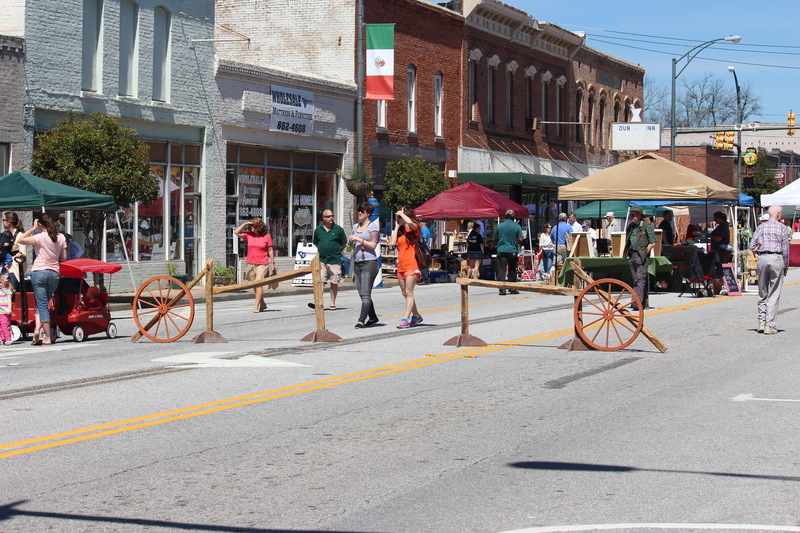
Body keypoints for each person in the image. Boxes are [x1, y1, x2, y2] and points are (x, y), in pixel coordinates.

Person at [18, 213, 68, 345]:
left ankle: (46, 336)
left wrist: (32, 229)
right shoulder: (61, 237)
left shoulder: (39, 237)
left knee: (42, 304)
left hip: (39, 271)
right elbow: (63, 258)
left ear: (40, 224)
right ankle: (36, 329)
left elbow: (21, 240)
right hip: (54, 273)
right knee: (44, 302)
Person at [750, 205, 790, 335]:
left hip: (763, 258)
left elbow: (752, 245)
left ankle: (761, 322)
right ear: (778, 214)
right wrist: (785, 266)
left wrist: (759, 254)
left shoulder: (761, 227)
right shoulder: (782, 228)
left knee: (762, 291)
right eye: (781, 213)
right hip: (776, 258)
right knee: (774, 292)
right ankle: (770, 325)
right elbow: (785, 250)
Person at [234, 217, 276, 313]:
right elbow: (236, 232)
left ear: (258, 226)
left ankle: (256, 306)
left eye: (253, 225)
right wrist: (245, 224)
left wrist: (272, 263)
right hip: (251, 263)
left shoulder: (267, 236)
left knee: (258, 284)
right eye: (251, 225)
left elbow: (270, 250)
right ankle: (263, 303)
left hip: (262, 263)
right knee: (254, 284)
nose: (251, 227)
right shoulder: (249, 235)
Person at [390, 206, 423, 328]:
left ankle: (406, 319)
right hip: (401, 266)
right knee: (405, 293)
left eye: (400, 216)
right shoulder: (401, 232)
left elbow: (410, 223)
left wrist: (403, 215)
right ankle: (416, 315)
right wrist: (397, 226)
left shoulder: (414, 230)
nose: (399, 218)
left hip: (411, 265)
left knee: (409, 292)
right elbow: (393, 243)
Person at [349, 202, 380, 328]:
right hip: (357, 262)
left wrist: (359, 239)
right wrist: (350, 244)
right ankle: (372, 317)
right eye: (359, 211)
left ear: (368, 213)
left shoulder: (372, 227)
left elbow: (373, 245)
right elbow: (351, 247)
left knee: (366, 294)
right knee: (362, 294)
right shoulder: (355, 226)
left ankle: (361, 320)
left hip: (369, 263)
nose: (359, 213)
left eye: (362, 211)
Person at [309, 209, 347, 310]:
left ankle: (332, 302)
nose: (331, 218)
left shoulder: (338, 229)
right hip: (322, 260)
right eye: (328, 216)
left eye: (332, 216)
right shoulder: (318, 230)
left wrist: (336, 250)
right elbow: (316, 243)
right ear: (323, 218)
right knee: (320, 281)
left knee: (334, 282)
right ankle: (317, 301)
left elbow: (344, 243)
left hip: (334, 260)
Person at [623, 205, 657, 310]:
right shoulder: (631, 227)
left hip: (641, 255)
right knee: (636, 280)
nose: (631, 217)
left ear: (640, 215)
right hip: (632, 255)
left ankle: (636, 302)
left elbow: (653, 242)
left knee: (640, 279)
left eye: (633, 215)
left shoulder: (647, 226)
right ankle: (644, 303)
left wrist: (645, 252)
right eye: (631, 215)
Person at [494, 209, 523, 295]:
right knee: (512, 269)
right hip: (512, 250)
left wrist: (499, 242)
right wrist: (516, 242)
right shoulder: (517, 226)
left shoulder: (500, 226)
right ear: (513, 217)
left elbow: (494, 238)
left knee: (501, 270)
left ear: (505, 216)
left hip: (502, 250)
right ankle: (512, 288)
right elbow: (521, 239)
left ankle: (502, 289)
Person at [1, 212, 25, 285]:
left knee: (10, 291)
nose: (2, 222)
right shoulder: (5, 234)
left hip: (14, 268)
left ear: (9, 222)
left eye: (3, 220)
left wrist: (19, 254)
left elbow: (23, 253)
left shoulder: (20, 235)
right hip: (4, 266)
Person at [0, 275, 13, 345]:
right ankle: (1, 338)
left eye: (0, 282)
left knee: (5, 325)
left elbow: (9, 300)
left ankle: (8, 339)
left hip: (5, 312)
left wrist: (9, 309)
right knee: (0, 326)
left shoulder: (7, 291)